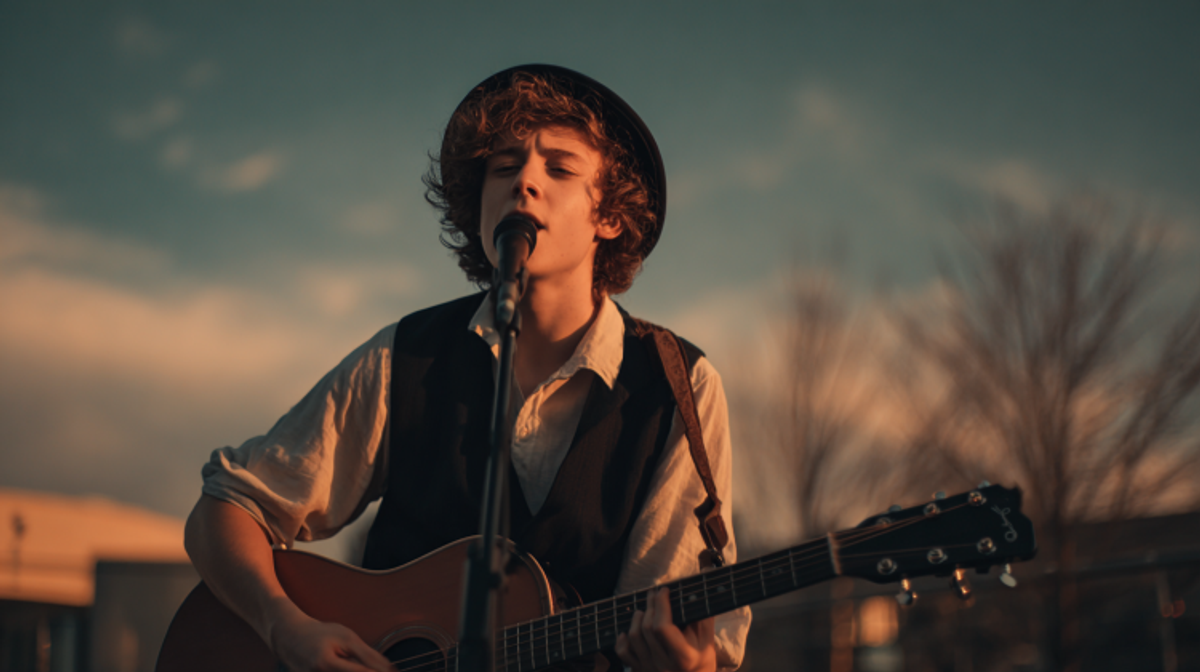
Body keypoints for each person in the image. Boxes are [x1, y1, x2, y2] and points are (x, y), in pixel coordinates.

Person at [184, 64, 751, 672]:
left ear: (609, 217)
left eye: (558, 168)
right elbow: (226, 509)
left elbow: (670, 624)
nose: (524, 181)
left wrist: (688, 667)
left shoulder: (676, 388)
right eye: (504, 166)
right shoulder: (407, 356)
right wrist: (283, 627)